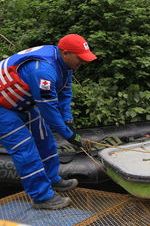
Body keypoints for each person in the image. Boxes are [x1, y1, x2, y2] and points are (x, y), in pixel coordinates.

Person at [0, 34, 97, 209]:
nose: (82, 63)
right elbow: (49, 110)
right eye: (80, 59)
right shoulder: (43, 71)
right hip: (3, 108)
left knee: (45, 139)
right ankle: (41, 197)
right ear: (65, 53)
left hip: (22, 102)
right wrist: (70, 136)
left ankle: (52, 179)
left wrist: (68, 121)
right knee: (25, 148)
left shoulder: (63, 65)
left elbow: (65, 94)